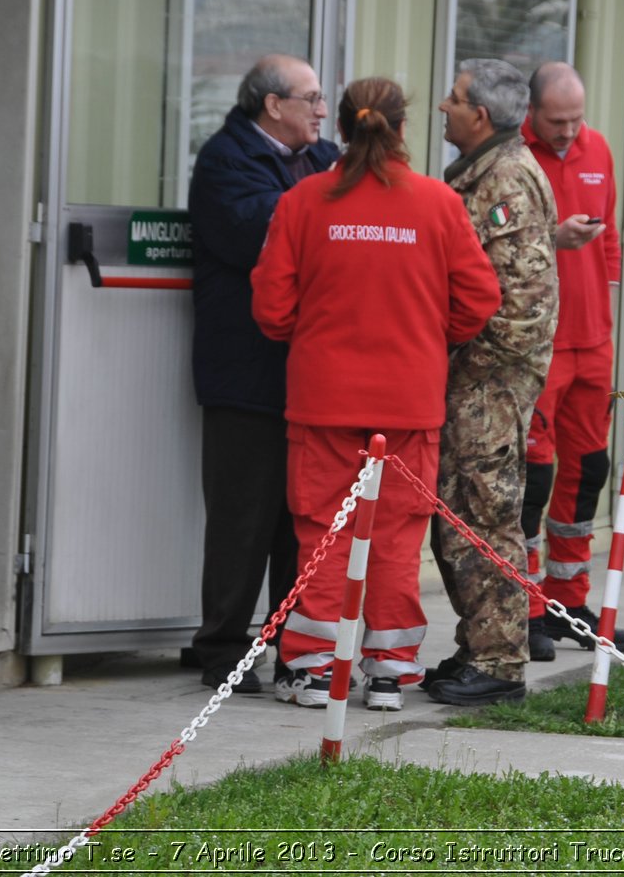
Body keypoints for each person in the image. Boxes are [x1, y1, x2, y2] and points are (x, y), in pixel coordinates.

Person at [251, 77, 500, 712]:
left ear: (340, 125)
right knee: (394, 539)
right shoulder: (438, 204)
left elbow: (272, 309)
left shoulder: (304, 201)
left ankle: (311, 668)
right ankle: (389, 672)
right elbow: (478, 299)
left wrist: (317, 334)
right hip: (409, 405)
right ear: (401, 128)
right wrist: (423, 335)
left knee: (322, 535)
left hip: (323, 401)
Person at [187, 54, 337, 695]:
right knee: (241, 522)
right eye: (310, 98)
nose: (322, 111)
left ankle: (283, 645)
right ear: (273, 105)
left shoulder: (319, 156)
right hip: (244, 378)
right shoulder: (226, 162)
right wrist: (331, 202)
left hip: (304, 378)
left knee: (295, 523)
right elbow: (267, 232)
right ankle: (222, 648)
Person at [424, 59, 560, 706]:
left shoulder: (506, 177)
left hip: (491, 378)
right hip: (474, 375)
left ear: (480, 115)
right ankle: (480, 638)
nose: (442, 107)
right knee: (457, 510)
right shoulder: (483, 171)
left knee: (486, 507)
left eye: (452, 99)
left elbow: (523, 306)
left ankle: (502, 659)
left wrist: (462, 357)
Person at [518, 62, 624, 661]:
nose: (567, 131)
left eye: (576, 119)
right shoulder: (516, 156)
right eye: (556, 121)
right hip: (541, 341)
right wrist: (550, 239)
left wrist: (603, 293)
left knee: (588, 469)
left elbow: (609, 237)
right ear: (531, 113)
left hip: (593, 341)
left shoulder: (598, 150)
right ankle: (527, 607)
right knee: (533, 476)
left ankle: (569, 601)